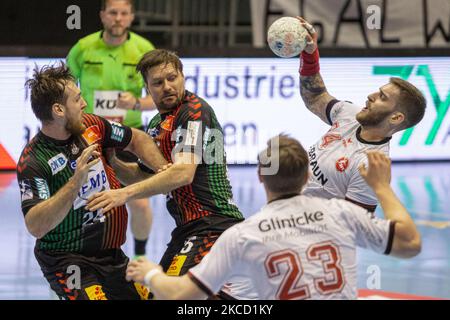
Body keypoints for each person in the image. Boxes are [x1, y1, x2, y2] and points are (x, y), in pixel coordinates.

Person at [125, 135, 422, 300]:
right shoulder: (343, 212)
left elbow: (181, 296)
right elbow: (410, 243)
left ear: (259, 177)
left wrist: (149, 272)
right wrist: (381, 186)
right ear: (307, 176)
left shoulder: (243, 235)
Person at [87, 49, 244, 281]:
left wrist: (123, 194)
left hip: (214, 224)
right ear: (147, 89)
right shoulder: (156, 123)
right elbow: (144, 176)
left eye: (172, 78)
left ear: (183, 77)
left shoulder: (194, 112)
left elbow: (183, 173)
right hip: (188, 228)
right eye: (158, 82)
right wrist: (113, 162)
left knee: (170, 294)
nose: (167, 86)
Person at [17, 63, 168, 300]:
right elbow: (35, 225)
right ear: (58, 110)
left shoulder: (91, 125)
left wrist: (164, 173)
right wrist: (75, 182)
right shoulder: (34, 160)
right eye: (77, 99)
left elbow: (137, 139)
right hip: (68, 261)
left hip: (112, 256)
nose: (84, 103)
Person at [297, 17, 426, 212]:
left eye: (382, 97)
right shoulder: (348, 113)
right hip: (283, 215)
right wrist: (310, 54)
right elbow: (314, 98)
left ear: (396, 118)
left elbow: (352, 225)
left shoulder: (370, 166)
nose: (371, 96)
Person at [66, 0, 155, 257]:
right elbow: (64, 91)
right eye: (113, 13)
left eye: (123, 13)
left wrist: (136, 103)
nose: (118, 18)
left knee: (138, 201)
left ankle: (139, 256)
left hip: (128, 136)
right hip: (89, 137)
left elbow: (157, 99)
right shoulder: (83, 49)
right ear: (103, 16)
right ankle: (77, 256)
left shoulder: (143, 49)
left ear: (131, 17)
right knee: (79, 201)